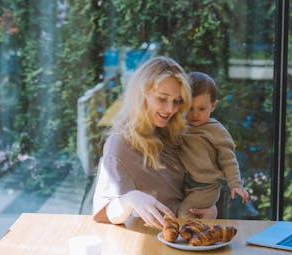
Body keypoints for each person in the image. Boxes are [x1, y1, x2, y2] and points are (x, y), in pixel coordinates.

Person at [92, 56, 216, 228]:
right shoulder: (120, 143)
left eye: (177, 101)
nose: (170, 109)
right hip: (148, 241)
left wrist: (210, 208)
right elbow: (103, 213)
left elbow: (196, 186)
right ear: (142, 95)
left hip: (187, 235)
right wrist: (129, 199)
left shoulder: (178, 135)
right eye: (162, 99)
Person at [176, 72, 249, 218]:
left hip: (206, 188)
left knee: (184, 213)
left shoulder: (216, 131)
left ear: (213, 106)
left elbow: (228, 160)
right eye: (190, 108)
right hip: (186, 184)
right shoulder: (180, 127)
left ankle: (198, 238)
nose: (195, 114)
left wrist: (235, 184)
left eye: (201, 109)